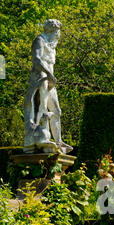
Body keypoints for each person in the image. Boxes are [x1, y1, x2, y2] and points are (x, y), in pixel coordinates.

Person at [24, 19, 72, 154]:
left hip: (50, 79)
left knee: (56, 111)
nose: (59, 35)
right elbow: (37, 59)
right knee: (42, 107)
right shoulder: (40, 40)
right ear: (52, 31)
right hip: (40, 77)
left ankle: (59, 142)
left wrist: (51, 75)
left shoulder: (52, 45)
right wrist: (49, 73)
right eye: (58, 32)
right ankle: (40, 135)